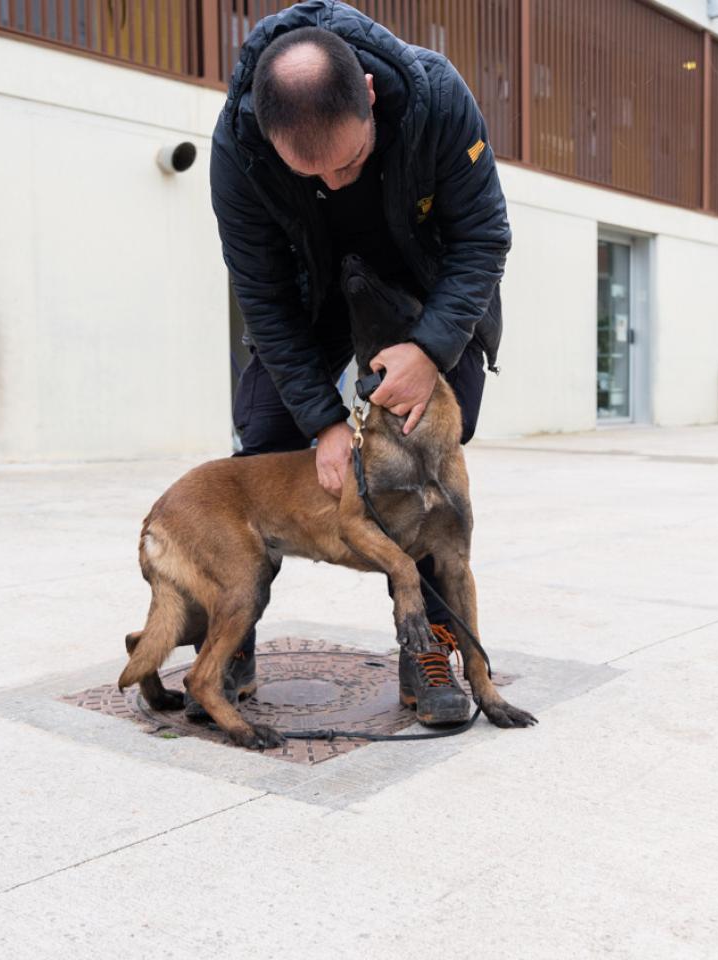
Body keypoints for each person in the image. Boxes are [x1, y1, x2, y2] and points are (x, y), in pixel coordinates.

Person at [209, 1, 511, 722]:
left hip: (423, 294)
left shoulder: (436, 98)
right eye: (311, 172)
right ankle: (231, 632)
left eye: (349, 161)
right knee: (266, 433)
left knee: (429, 469)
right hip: (309, 299)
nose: (336, 184)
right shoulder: (238, 147)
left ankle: (429, 646)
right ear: (265, 128)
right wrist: (324, 421)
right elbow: (262, 295)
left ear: (369, 95)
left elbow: (483, 239)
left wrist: (433, 349)